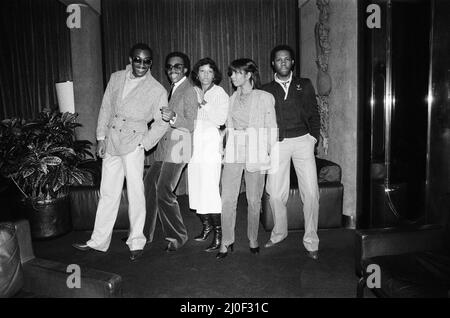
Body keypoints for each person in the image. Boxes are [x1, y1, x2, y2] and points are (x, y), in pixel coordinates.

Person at [72, 43, 169, 261]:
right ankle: (98, 241)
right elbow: (105, 107)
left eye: (146, 61)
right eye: (137, 60)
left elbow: (162, 122)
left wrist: (144, 143)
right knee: (108, 192)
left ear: (151, 63)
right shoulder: (116, 78)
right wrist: (101, 138)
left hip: (133, 143)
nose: (141, 65)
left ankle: (136, 241)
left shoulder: (157, 90)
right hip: (112, 141)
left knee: (135, 193)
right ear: (130, 59)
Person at [261, 44, 321, 260]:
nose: (283, 62)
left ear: (292, 62)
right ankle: (279, 232)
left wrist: (313, 138)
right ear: (273, 63)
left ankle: (311, 240)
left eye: (287, 59)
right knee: (275, 194)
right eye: (279, 59)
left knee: (312, 193)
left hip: (304, 141)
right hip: (278, 143)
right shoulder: (266, 90)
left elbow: (314, 112)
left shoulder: (303, 85)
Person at [216, 58, 277, 259]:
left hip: (256, 150)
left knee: (253, 200)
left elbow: (271, 127)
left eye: (236, 73)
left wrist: (265, 150)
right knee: (227, 198)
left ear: (249, 74)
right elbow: (228, 126)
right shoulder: (231, 98)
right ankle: (227, 241)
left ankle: (253, 238)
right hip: (234, 150)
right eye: (231, 73)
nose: (232, 76)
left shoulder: (264, 97)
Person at [143, 52, 198, 252]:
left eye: (177, 66)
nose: (172, 70)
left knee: (164, 190)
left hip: (180, 145)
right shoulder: (172, 89)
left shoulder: (190, 90)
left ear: (185, 69)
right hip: (164, 148)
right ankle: (144, 234)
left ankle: (177, 236)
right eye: (169, 67)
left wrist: (174, 117)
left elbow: (192, 123)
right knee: (149, 184)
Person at [188, 57, 229, 252]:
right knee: (196, 189)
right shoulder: (192, 91)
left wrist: (203, 102)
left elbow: (221, 120)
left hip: (211, 144)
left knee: (210, 190)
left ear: (214, 74)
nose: (205, 75)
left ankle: (219, 235)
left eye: (209, 71)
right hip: (194, 144)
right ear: (196, 73)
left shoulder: (219, 92)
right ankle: (206, 227)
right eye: (202, 71)